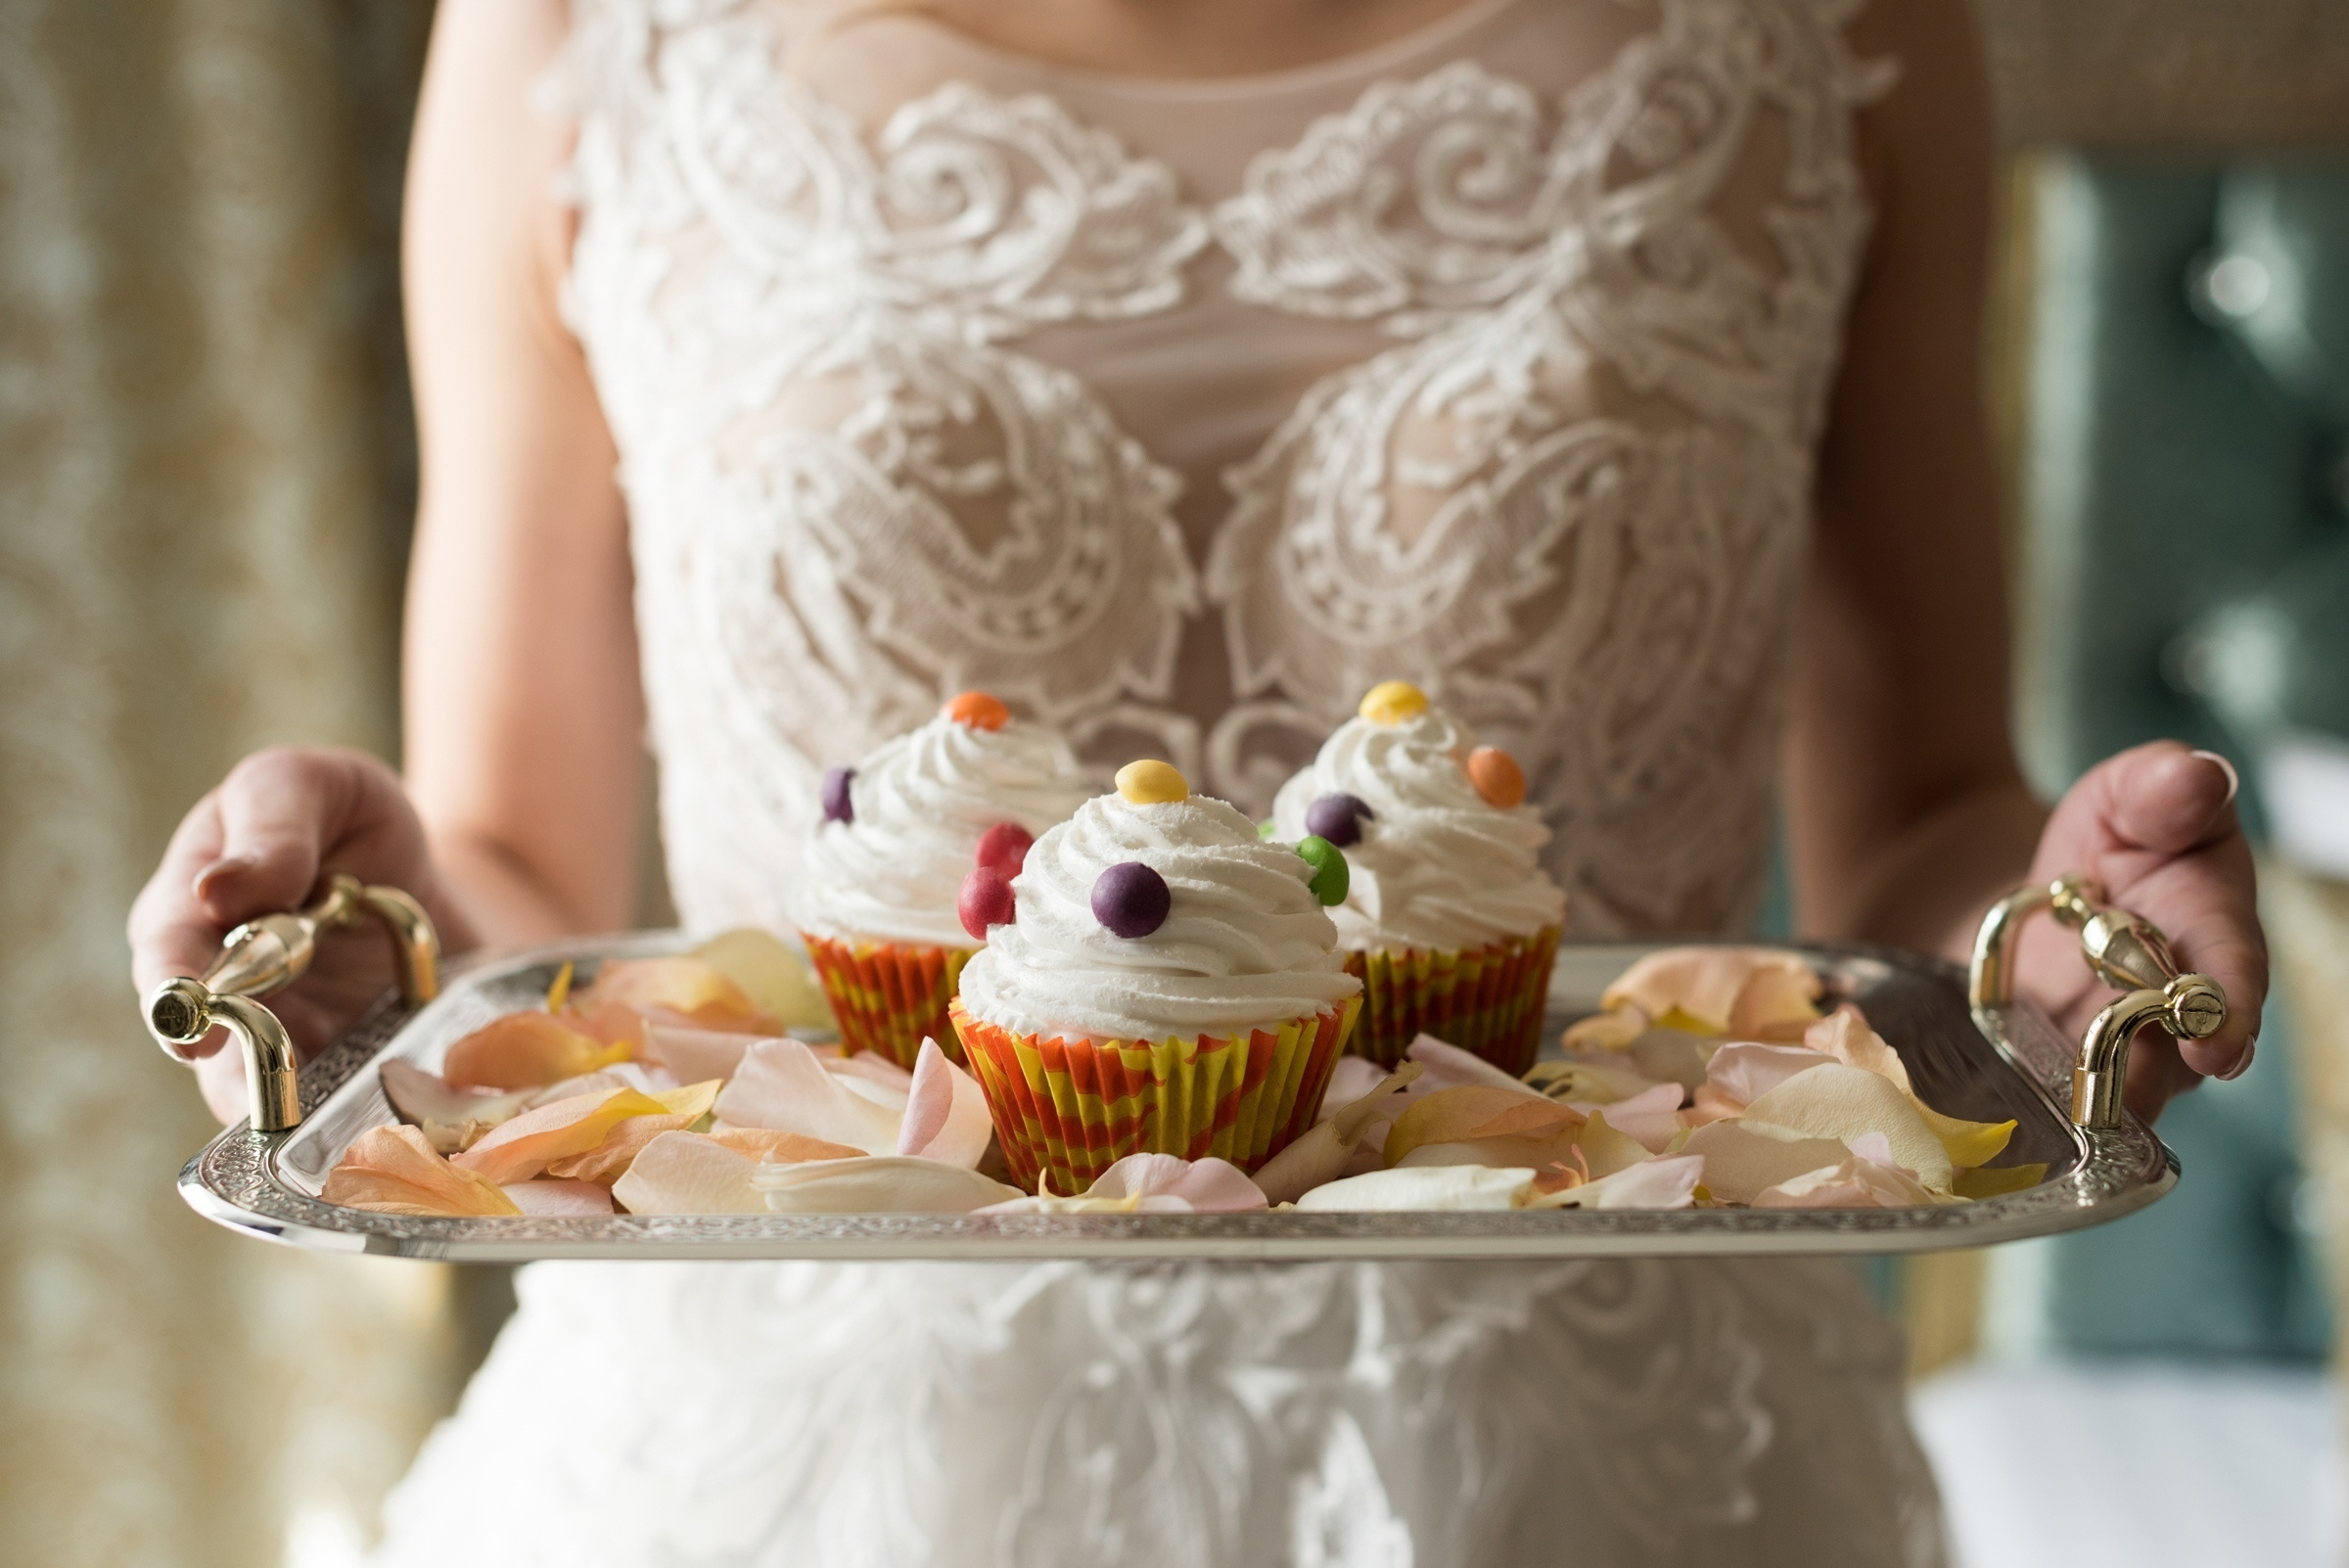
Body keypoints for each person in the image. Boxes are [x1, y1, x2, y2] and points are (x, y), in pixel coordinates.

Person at [130, 1, 2265, 1562]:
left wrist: (2062, 941)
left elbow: (1918, 834)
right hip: (788, 1473)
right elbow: (525, 877)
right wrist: (375, 942)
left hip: (1599, 1465)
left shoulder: (1837, 35)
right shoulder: (571, 39)